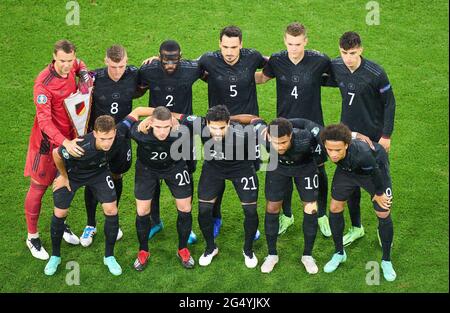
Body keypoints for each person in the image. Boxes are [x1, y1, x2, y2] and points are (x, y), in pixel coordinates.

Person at [255, 22, 332, 237]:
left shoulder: (320, 60)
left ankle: (321, 214)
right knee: (285, 169)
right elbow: (262, 78)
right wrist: (226, 77)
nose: (294, 48)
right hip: (284, 127)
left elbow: (339, 74)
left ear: (306, 41)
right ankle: (287, 215)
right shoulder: (278, 60)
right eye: (290, 43)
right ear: (284, 41)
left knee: (320, 168)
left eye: (298, 44)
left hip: (314, 126)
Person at [45, 112, 142, 276]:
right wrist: (63, 176)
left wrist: (158, 117)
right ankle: (55, 256)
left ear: (114, 133)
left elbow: (136, 113)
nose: (107, 143)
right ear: (95, 133)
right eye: (103, 139)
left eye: (110, 138)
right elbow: (56, 153)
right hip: (73, 175)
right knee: (60, 212)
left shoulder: (119, 132)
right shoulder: (81, 146)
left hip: (98, 174)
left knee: (111, 210)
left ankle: (109, 256)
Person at [24, 39, 93, 260]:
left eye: (69, 60)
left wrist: (83, 75)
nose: (67, 65)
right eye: (62, 61)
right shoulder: (42, 84)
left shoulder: (74, 64)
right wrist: (64, 142)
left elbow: (82, 65)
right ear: (54, 57)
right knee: (39, 187)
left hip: (69, 139)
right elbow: (44, 123)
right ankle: (32, 237)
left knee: (63, 182)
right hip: (47, 145)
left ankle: (60, 224)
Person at [326, 31, 396, 246]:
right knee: (351, 183)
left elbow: (389, 103)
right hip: (347, 136)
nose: (348, 58)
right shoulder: (337, 66)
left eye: (353, 53)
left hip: (374, 137)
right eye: (344, 52)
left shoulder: (375, 73)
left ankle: (383, 228)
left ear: (361, 50)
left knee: (380, 187)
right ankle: (356, 228)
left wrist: (386, 136)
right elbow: (317, 77)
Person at [198, 25, 267, 238]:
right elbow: (187, 69)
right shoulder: (208, 60)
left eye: (234, 47)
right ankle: (216, 217)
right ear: (219, 44)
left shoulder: (253, 57)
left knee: (249, 173)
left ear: (241, 45)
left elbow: (275, 64)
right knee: (216, 175)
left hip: (248, 131)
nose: (229, 52)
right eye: (225, 47)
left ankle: (251, 223)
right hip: (218, 130)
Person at [138, 40, 205, 244]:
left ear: (181, 57)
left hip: (183, 133)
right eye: (165, 60)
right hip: (155, 132)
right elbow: (137, 89)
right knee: (153, 176)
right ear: (158, 57)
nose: (170, 65)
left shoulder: (191, 69)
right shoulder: (148, 69)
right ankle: (155, 221)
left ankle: (188, 225)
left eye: (174, 61)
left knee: (188, 173)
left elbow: (208, 66)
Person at [80, 44, 140, 247]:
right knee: (92, 179)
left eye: (121, 66)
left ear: (127, 61)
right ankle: (90, 224)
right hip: (98, 139)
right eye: (113, 66)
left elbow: (152, 78)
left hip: (122, 139)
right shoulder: (94, 79)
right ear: (106, 61)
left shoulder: (134, 74)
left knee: (117, 175)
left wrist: (154, 60)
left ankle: (112, 219)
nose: (117, 71)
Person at [320, 123, 396, 282]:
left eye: (337, 150)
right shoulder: (329, 140)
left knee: (383, 211)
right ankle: (339, 253)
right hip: (347, 171)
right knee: (334, 207)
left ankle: (386, 260)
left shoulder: (363, 154)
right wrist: (357, 133)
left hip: (374, 171)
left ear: (346, 145)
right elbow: (346, 132)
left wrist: (379, 193)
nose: (333, 154)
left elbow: (375, 172)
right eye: (330, 150)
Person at [131, 106, 195, 270]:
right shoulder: (138, 132)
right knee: (142, 211)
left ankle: (183, 249)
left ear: (171, 124)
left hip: (175, 168)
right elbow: (127, 123)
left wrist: (176, 120)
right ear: (151, 123)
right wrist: (143, 118)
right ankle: (143, 250)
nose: (162, 132)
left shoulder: (181, 131)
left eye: (166, 127)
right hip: (146, 170)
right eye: (158, 127)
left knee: (185, 207)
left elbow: (194, 129)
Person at [259, 118, 321, 274]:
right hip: (278, 168)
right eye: (276, 143)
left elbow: (314, 127)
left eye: (284, 142)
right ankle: (272, 254)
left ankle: (307, 255)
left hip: (305, 168)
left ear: (291, 136)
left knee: (311, 208)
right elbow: (254, 121)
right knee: (272, 207)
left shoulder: (306, 138)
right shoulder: (263, 136)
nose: (279, 146)